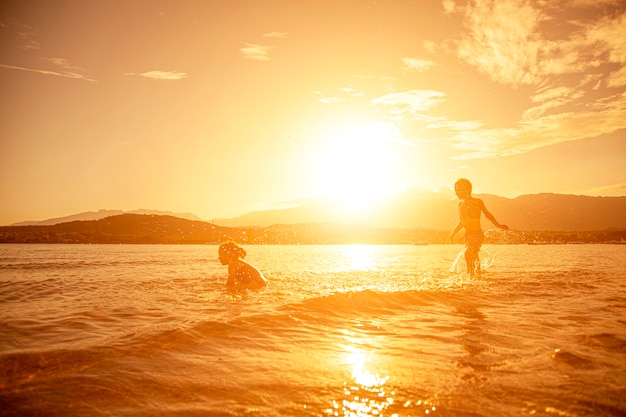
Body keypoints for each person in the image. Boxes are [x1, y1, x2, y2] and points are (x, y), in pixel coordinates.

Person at [448, 178, 508, 275]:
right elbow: (461, 222)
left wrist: (498, 225)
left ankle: (470, 277)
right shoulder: (460, 205)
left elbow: (487, 214)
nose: (456, 192)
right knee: (474, 256)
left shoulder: (477, 202)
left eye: (458, 190)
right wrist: (453, 232)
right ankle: (477, 276)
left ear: (467, 190)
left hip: (477, 234)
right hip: (468, 235)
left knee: (468, 254)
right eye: (455, 190)